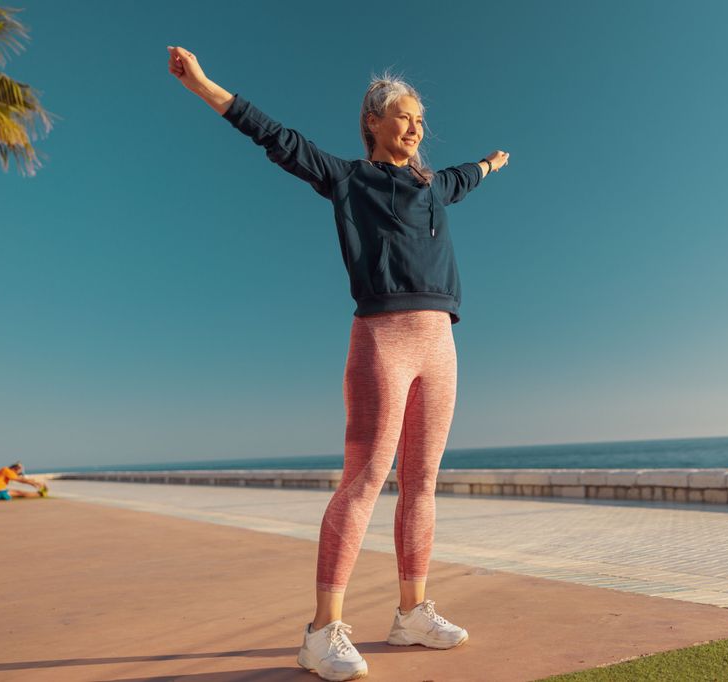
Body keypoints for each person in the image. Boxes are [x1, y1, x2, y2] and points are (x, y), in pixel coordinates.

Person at [167, 46, 509, 681]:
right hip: (382, 337)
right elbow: (274, 136)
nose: (415, 129)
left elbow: (467, 173)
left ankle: (411, 615)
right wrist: (206, 86)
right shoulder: (349, 178)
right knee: (366, 477)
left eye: (420, 122)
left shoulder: (436, 187)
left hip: (442, 339)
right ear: (373, 122)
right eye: (404, 118)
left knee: (423, 480)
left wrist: (492, 161)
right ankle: (322, 631)